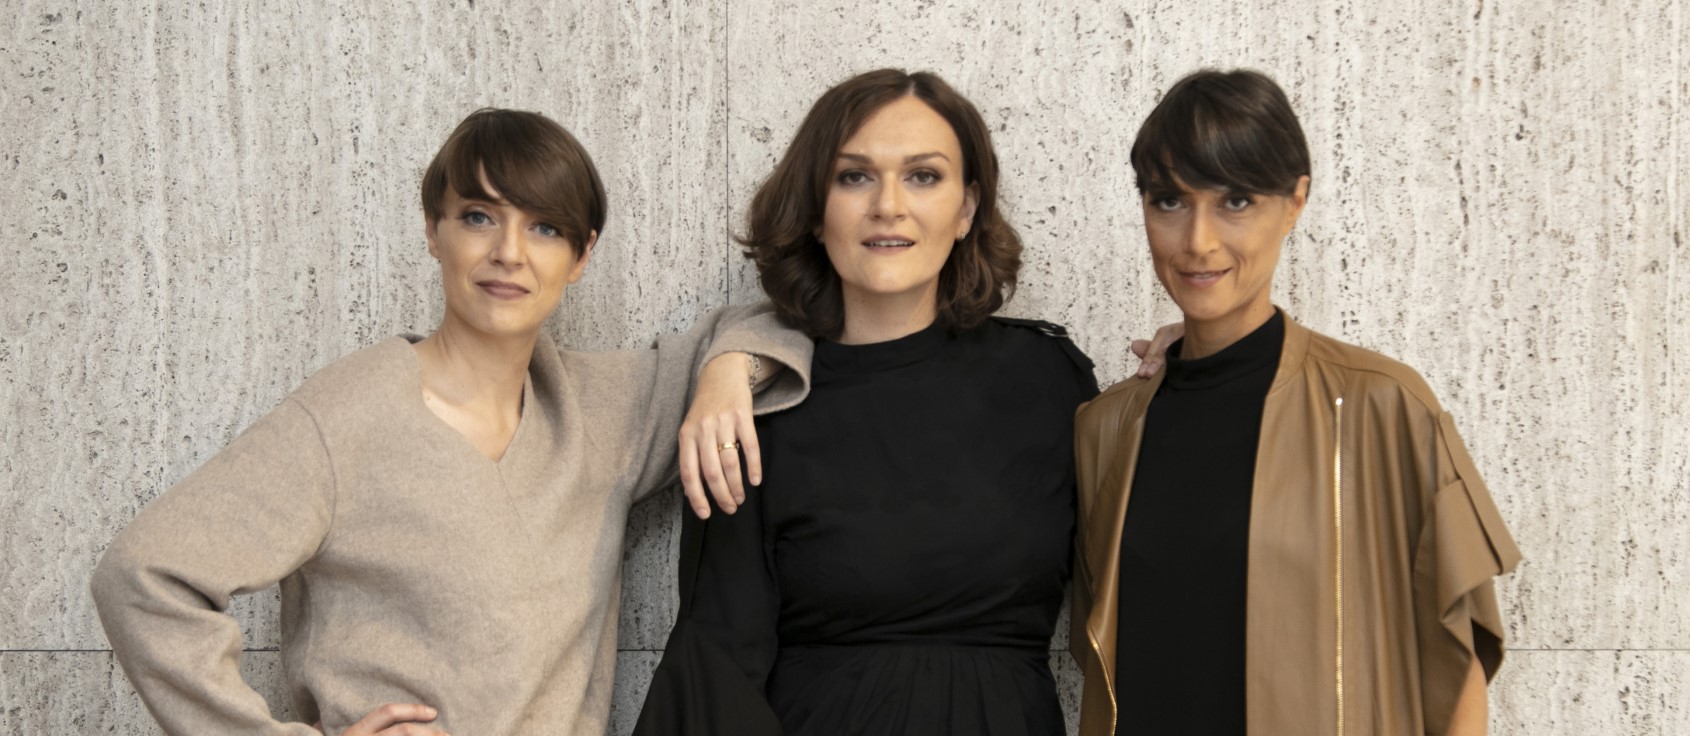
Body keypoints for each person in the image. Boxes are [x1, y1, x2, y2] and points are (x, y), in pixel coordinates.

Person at [91, 108, 813, 736]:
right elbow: (143, 576)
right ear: (433, 230)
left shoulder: (604, 409)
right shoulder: (348, 416)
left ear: (581, 256)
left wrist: (725, 375)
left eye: (544, 228)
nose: (509, 253)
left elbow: (782, 323)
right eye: (477, 217)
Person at [634, 69, 1098, 736]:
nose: (888, 205)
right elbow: (719, 664)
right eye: (854, 177)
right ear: (815, 211)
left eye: (923, 176)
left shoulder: (1049, 377)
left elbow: (1150, 576)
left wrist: (1196, 350)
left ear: (966, 209)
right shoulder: (760, 406)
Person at [1070, 69, 1522, 736]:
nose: (1198, 241)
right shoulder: (1105, 429)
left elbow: (1460, 660)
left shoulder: (1382, 407)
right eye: (1169, 201)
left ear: (1295, 202)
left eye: (1236, 200)